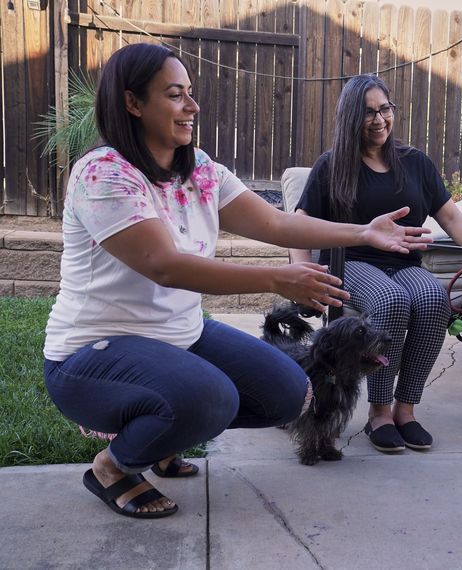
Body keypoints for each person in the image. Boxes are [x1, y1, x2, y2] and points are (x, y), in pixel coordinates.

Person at [43, 44, 431, 519]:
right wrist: (276, 277)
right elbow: (164, 264)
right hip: (92, 354)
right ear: (133, 103)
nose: (193, 105)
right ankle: (114, 466)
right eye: (175, 94)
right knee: (213, 398)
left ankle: (165, 438)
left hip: (179, 337)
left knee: (288, 393)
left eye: (190, 93)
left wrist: (363, 230)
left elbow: (274, 223)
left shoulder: (199, 170)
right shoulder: (104, 174)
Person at [291, 74, 462, 453]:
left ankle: (405, 409)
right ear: (350, 118)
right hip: (352, 260)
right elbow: (298, 224)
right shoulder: (333, 166)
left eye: (385, 109)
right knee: (391, 301)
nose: (379, 120)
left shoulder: (416, 164)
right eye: (368, 113)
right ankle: (379, 412)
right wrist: (302, 273)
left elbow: (451, 217)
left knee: (433, 301)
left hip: (405, 262)